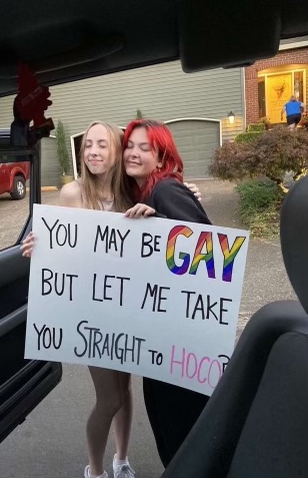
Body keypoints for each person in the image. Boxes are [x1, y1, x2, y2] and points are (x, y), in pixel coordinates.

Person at [21, 120, 202, 477]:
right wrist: (38, 247)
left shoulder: (131, 193)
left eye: (102, 145)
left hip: (126, 311)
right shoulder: (73, 193)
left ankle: (122, 459)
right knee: (110, 398)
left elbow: (163, 222)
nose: (93, 151)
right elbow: (61, 243)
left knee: (126, 390)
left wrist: (185, 194)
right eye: (88, 145)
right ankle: (95, 469)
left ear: (116, 152)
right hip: (91, 313)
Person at [121, 118, 212, 468]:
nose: (133, 152)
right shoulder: (146, 194)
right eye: (130, 145)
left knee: (182, 435)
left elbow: (208, 255)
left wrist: (160, 221)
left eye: (145, 148)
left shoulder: (164, 192)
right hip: (164, 339)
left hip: (182, 345)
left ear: (161, 159)